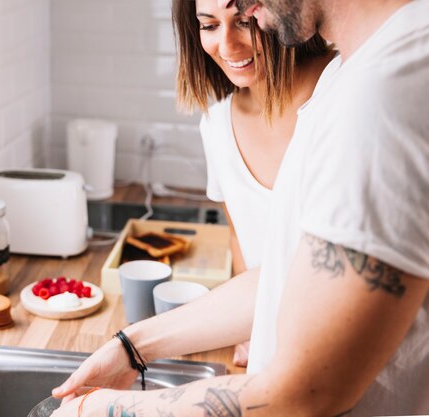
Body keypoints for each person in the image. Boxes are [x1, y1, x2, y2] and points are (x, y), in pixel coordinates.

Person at [51, 0, 429, 415]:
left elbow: (305, 394)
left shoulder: (380, 92)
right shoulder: (359, 79)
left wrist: (98, 411)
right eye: (210, 22)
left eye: (244, 13)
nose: (249, 8)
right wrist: (133, 347)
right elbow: (290, 276)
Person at [181, 0, 332, 366]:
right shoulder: (216, 126)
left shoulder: (338, 86)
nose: (229, 46)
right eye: (210, 26)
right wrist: (253, 325)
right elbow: (242, 242)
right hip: (278, 356)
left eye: (244, 22)